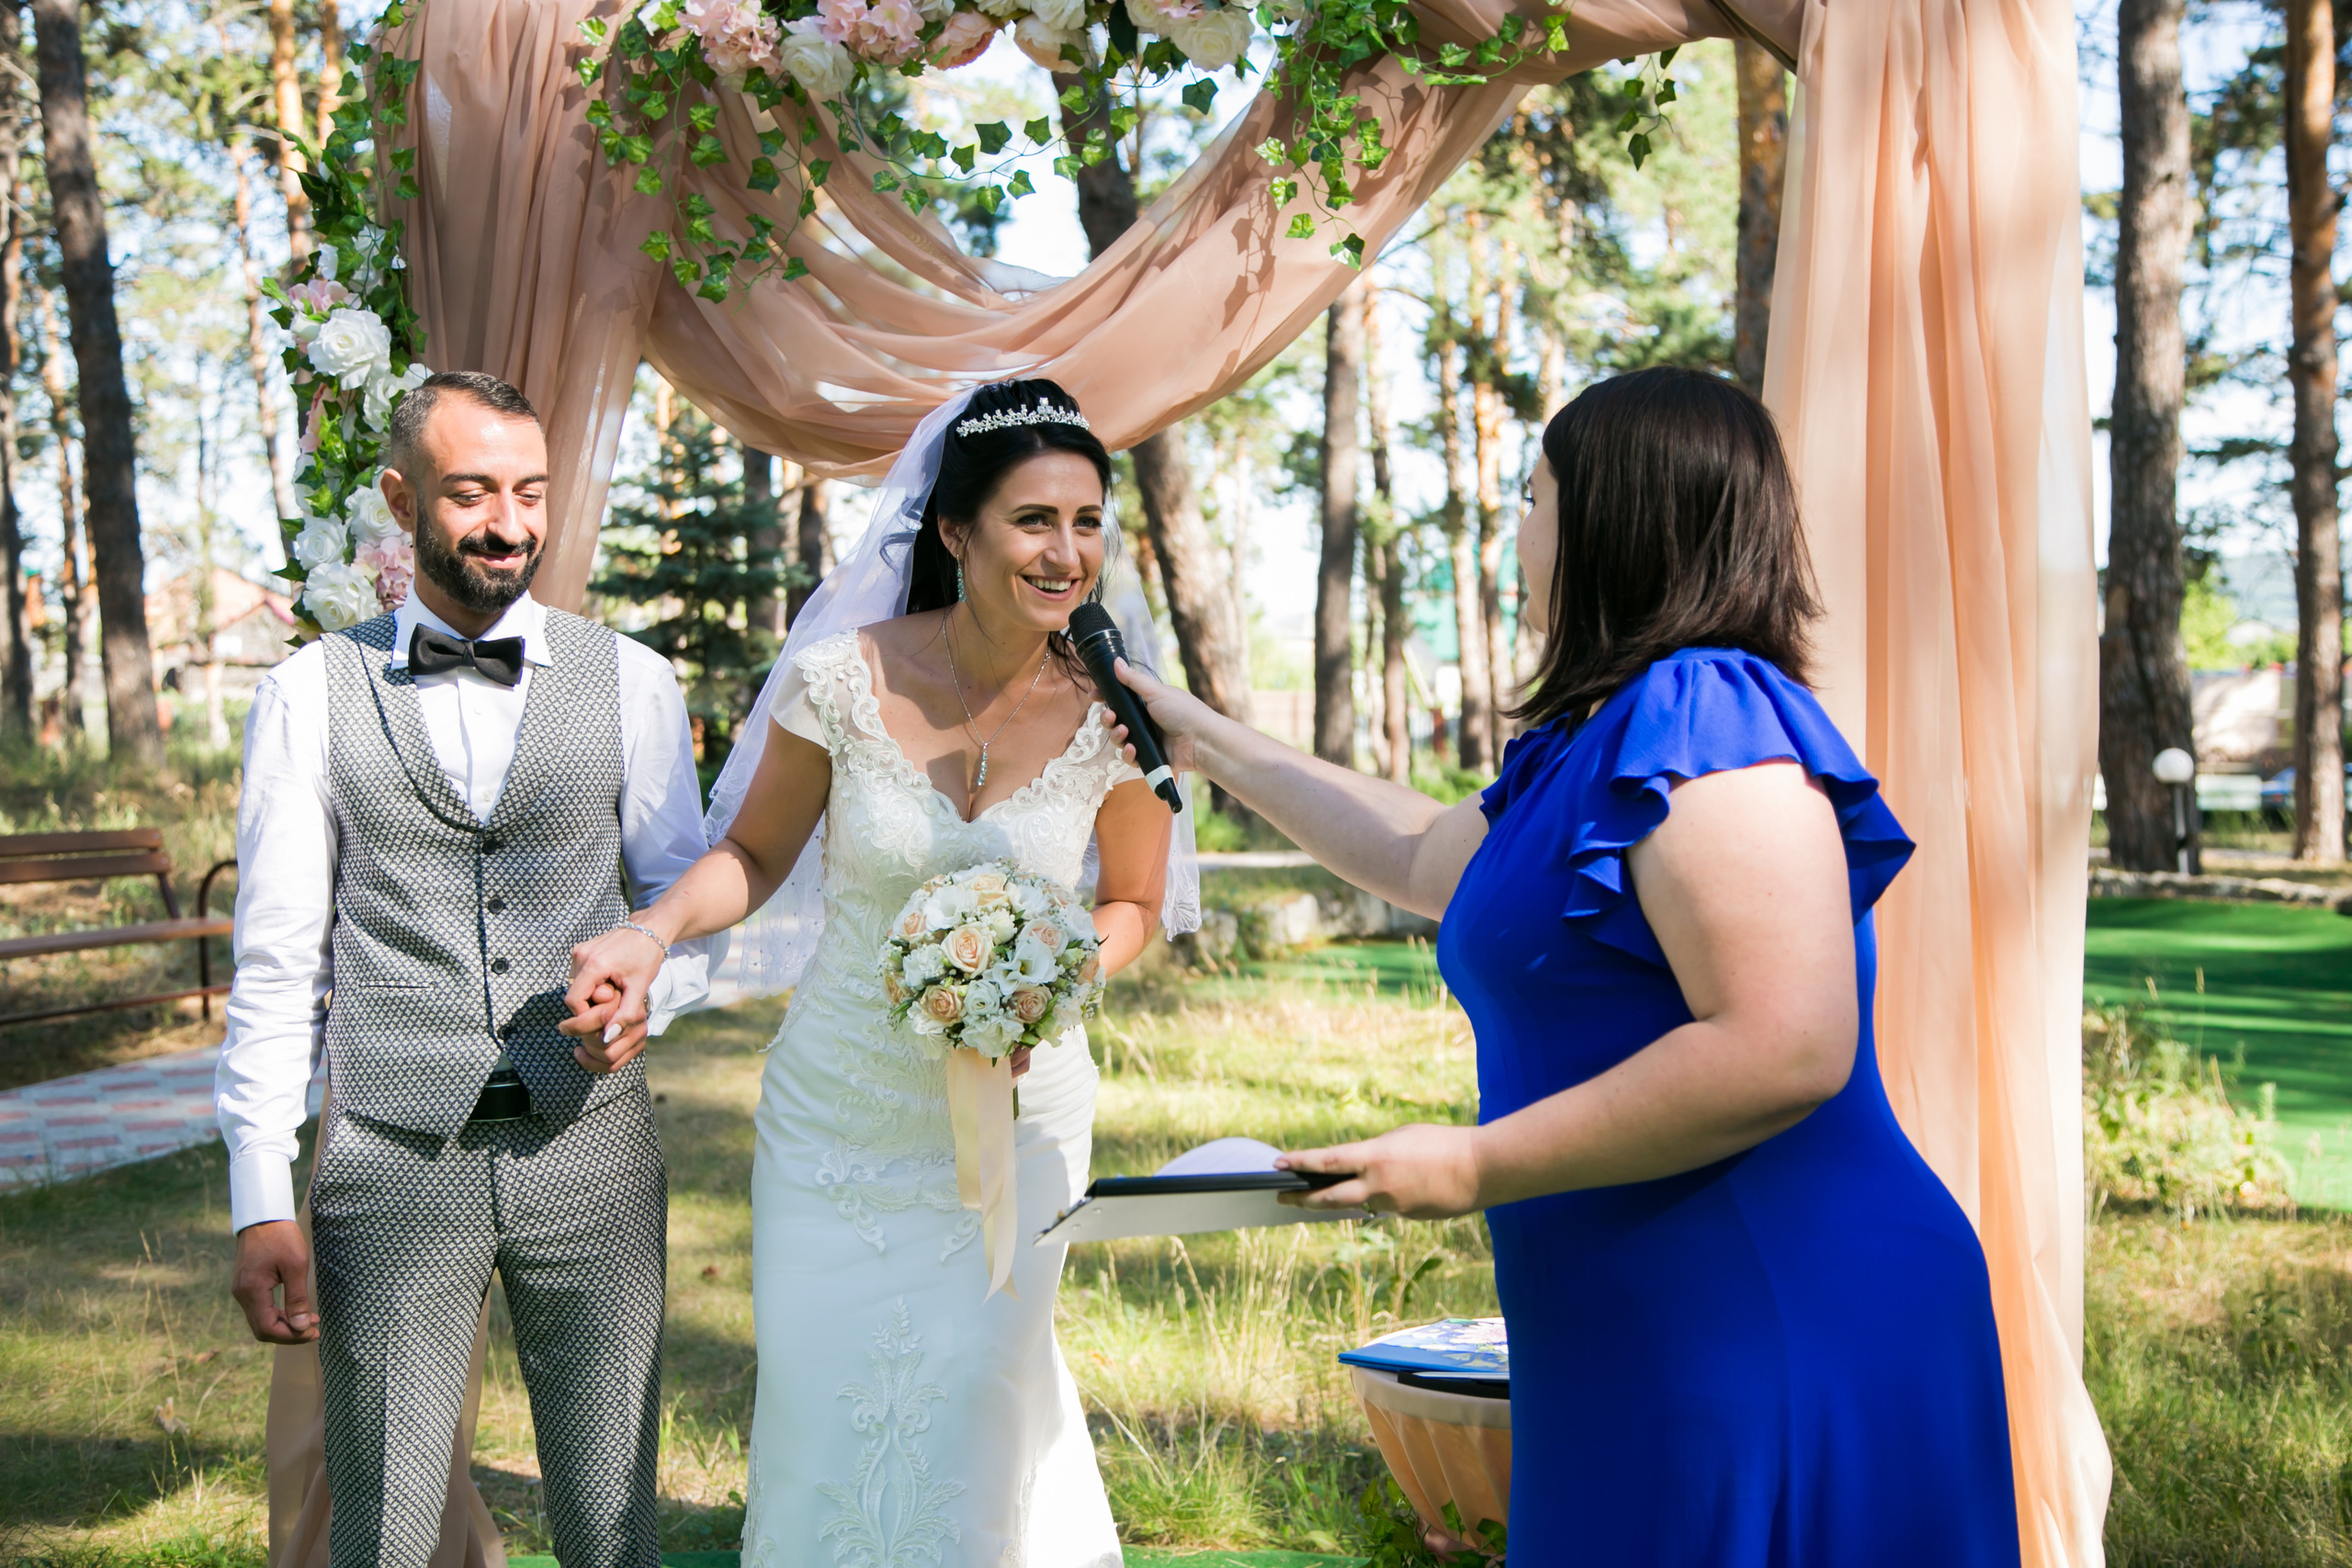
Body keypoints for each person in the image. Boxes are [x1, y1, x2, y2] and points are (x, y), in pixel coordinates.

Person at [1111, 367, 2022, 1565]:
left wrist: (1470, 1164)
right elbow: (1414, 851)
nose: (1521, 535)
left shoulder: (1709, 713)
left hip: (1769, 1316)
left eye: (1535, 499)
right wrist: (1201, 739)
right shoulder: (1593, 737)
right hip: (1636, 1321)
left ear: (1611, 518)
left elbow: (1787, 1045)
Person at [566, 378, 1179, 1568]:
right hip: (838, 1120)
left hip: (1020, 1120)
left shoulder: (1120, 711)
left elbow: (1135, 904)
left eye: (1087, 521)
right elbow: (753, 855)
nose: (1067, 552)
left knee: (983, 1411)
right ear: (954, 530)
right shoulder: (840, 678)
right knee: (825, 1418)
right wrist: (653, 931)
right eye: (1034, 520)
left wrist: (1052, 980)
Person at [216, 370, 715, 1568]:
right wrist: (260, 1193)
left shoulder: (634, 680)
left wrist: (655, 990)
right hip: (392, 1159)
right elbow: (277, 966)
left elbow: (688, 915)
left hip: (590, 1149)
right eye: (473, 492)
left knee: (613, 1527)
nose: (508, 523)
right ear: (402, 501)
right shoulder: (306, 695)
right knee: (382, 1528)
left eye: (530, 492)